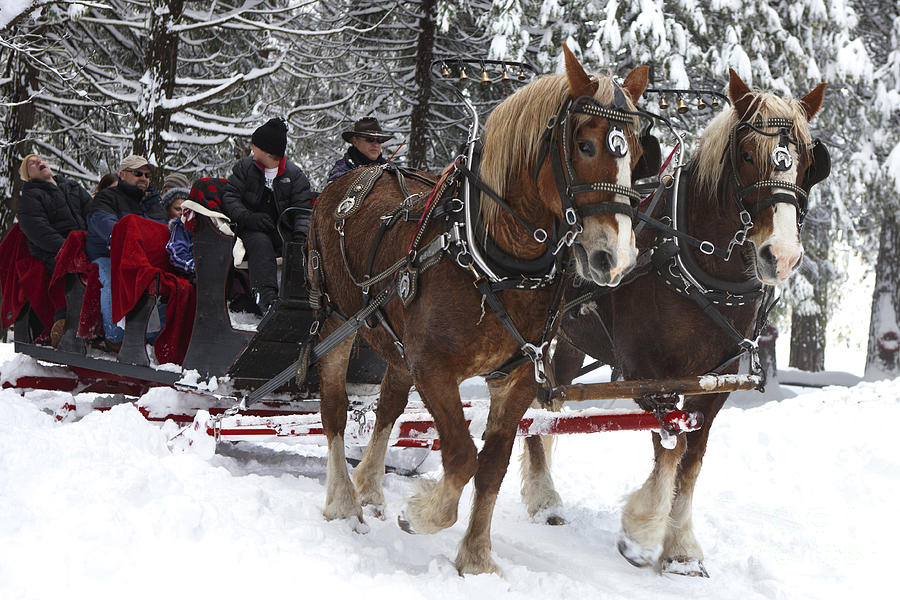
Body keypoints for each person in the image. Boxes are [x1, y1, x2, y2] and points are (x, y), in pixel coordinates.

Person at [221, 117, 315, 314]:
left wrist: (299, 236)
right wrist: (247, 217)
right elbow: (230, 197)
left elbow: (303, 210)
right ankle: (265, 297)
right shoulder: (245, 168)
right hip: (251, 228)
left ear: (266, 151)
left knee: (297, 250)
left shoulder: (295, 176)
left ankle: (302, 301)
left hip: (282, 231)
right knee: (260, 243)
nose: (251, 149)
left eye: (254, 146)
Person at [86, 154, 167, 347]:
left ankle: (155, 335)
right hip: (108, 254)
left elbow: (160, 231)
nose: (144, 179)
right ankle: (115, 336)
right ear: (123, 175)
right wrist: (121, 239)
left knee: (171, 284)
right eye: (138, 173)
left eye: (147, 175)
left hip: (143, 257)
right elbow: (104, 223)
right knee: (113, 279)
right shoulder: (108, 197)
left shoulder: (154, 203)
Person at [17, 154, 93, 346]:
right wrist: (67, 248)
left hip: (86, 245)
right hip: (55, 251)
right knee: (70, 271)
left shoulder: (72, 186)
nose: (38, 162)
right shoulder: (30, 197)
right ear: (28, 174)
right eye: (32, 163)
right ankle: (64, 323)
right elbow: (38, 230)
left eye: (39, 159)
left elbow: (93, 212)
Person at [326, 117, 393, 184]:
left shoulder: (392, 169)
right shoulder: (341, 168)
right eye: (370, 139)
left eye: (379, 140)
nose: (375, 144)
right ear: (355, 141)